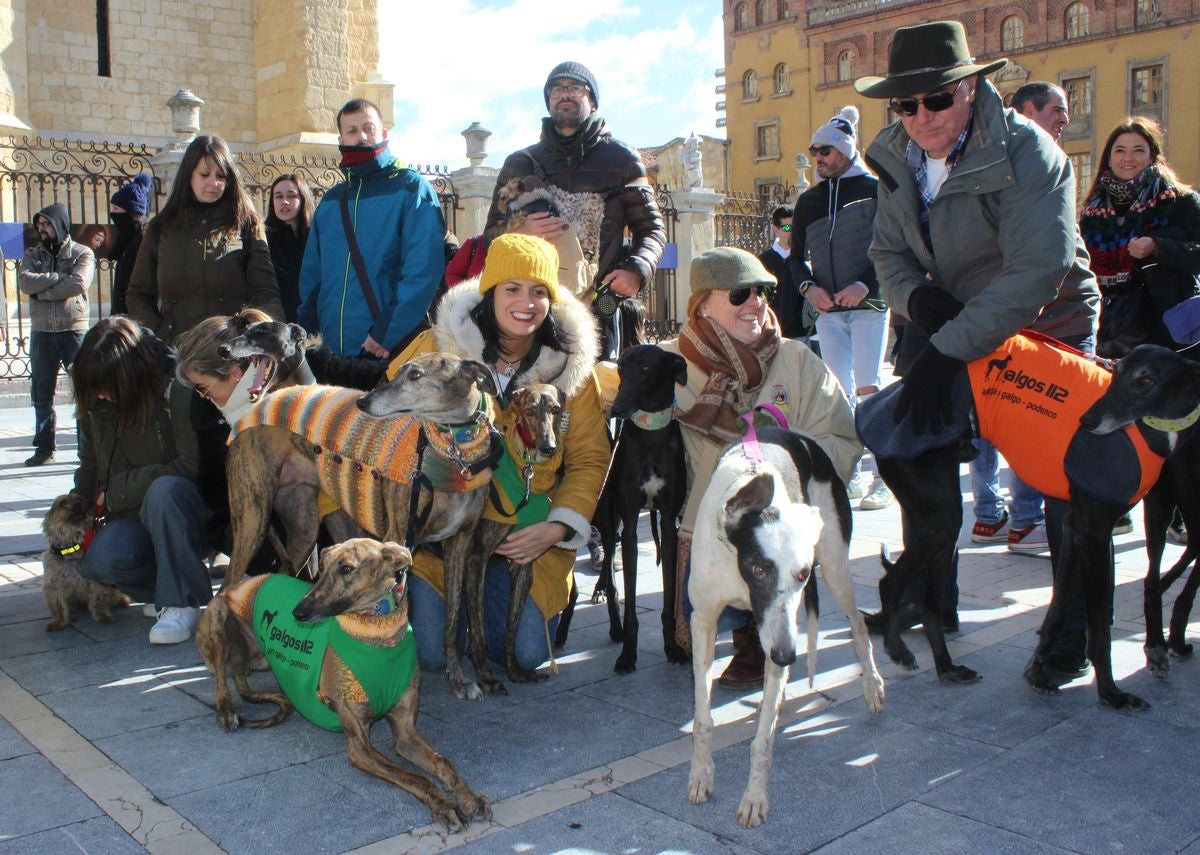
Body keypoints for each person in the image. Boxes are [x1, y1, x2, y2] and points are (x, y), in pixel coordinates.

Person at [856, 20, 1099, 676]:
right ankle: (930, 599)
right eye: (906, 104)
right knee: (915, 450)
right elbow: (885, 252)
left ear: (969, 88)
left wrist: (947, 343)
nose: (922, 116)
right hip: (948, 322)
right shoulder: (892, 156)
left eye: (936, 98)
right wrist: (919, 302)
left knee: (1063, 484)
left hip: (1049, 326)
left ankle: (1068, 634)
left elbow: (1036, 273)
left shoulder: (1028, 152)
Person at [385, 233, 610, 672]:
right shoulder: (435, 350)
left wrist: (559, 528)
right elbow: (385, 418)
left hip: (523, 541)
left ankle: (510, 606)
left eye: (538, 291)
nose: (526, 302)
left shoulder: (573, 370)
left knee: (524, 655)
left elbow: (589, 458)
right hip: (443, 535)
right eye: (512, 289)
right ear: (489, 293)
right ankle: (452, 606)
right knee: (430, 654)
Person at [661, 246, 860, 688]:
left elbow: (841, 436)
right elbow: (604, 391)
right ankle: (719, 620)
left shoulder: (797, 360)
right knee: (690, 629)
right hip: (707, 520)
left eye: (762, 292)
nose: (756, 303)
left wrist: (780, 459)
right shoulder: (669, 361)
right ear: (701, 304)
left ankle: (758, 634)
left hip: (782, 516)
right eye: (740, 294)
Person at [484, 61, 665, 361]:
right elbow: (490, 236)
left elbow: (652, 230)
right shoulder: (520, 163)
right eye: (557, 89)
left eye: (575, 88)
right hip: (530, 310)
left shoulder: (622, 159)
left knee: (596, 400)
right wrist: (519, 230)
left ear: (592, 101)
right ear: (548, 100)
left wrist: (636, 271)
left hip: (597, 310)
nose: (565, 94)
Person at [1082, 117, 1200, 544]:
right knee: (1124, 422)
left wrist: (1158, 248)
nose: (1128, 159)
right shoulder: (1093, 210)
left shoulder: (1179, 201)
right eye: (1119, 150)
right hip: (1118, 328)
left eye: (1138, 150)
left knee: (1176, 424)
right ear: (1107, 159)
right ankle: (1123, 505)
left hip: (1171, 329)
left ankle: (1182, 511)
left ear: (1153, 156)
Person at [972, 81, 1073, 553]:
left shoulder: (1042, 164)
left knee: (1023, 422)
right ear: (1027, 111)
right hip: (1032, 321)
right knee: (1029, 424)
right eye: (1057, 109)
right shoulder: (1010, 163)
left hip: (1051, 315)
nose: (1065, 119)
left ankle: (1018, 519)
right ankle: (1023, 520)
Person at [71, 316, 213, 645]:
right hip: (129, 515)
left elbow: (190, 465)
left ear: (129, 373)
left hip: (186, 510)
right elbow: (89, 465)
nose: (102, 395)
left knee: (164, 491)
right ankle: (167, 587)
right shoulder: (96, 399)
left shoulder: (176, 385)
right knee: (101, 562)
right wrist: (79, 508)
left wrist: (119, 488)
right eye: (95, 387)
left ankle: (180, 602)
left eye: (108, 386)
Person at [790, 106, 892, 511]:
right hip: (828, 313)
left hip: (868, 307)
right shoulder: (809, 200)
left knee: (870, 390)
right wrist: (808, 288)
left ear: (847, 149)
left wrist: (863, 284)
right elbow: (796, 259)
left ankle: (883, 480)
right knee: (838, 395)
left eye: (826, 150)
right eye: (814, 150)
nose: (819, 157)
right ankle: (848, 476)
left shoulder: (877, 190)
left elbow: (892, 249)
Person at [299, 98, 445, 357]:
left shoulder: (411, 188)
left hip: (385, 350)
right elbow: (313, 276)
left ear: (384, 133)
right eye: (352, 131)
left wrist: (386, 333)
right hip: (331, 353)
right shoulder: (332, 200)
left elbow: (422, 271)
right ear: (341, 139)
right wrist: (308, 333)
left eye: (369, 128)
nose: (361, 136)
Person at [127, 135, 282, 343]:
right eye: (204, 174)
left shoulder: (246, 224)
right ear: (189, 175)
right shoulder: (162, 227)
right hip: (177, 353)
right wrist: (158, 337)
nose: (214, 183)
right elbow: (139, 294)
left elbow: (266, 294)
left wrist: (262, 341)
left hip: (231, 351)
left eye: (221, 176)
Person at [18, 203, 94, 467]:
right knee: (41, 393)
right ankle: (44, 447)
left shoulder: (82, 253)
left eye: (47, 224)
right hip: (42, 333)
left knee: (84, 391)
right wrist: (57, 279)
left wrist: (43, 290)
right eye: (39, 225)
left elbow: (78, 283)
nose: (42, 229)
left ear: (60, 224)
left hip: (72, 331)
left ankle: (87, 449)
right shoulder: (32, 254)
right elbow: (25, 282)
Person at [265, 173, 315, 323]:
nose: (284, 202)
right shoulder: (263, 239)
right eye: (278, 196)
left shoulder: (317, 237)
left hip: (314, 319)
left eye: (291, 196)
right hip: (277, 321)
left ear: (303, 199)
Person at [757, 205, 809, 341]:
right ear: (776, 229)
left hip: (801, 334)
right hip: (770, 333)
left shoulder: (805, 259)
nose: (793, 232)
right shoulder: (763, 261)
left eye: (796, 228)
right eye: (787, 228)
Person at [108, 172, 153, 315]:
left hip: (136, 315)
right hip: (122, 312)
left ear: (130, 212)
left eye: (116, 209)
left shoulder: (142, 239)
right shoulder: (125, 238)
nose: (113, 213)